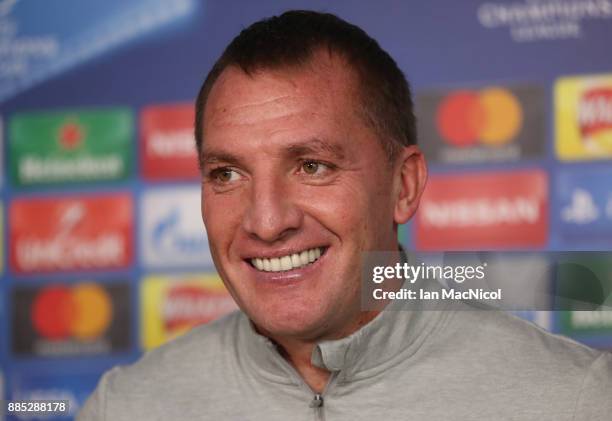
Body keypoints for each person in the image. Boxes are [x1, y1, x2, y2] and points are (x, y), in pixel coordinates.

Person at [79, 10, 612, 420]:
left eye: (311, 166)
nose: (265, 222)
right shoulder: (126, 406)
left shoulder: (576, 399)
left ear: (403, 186)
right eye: (227, 174)